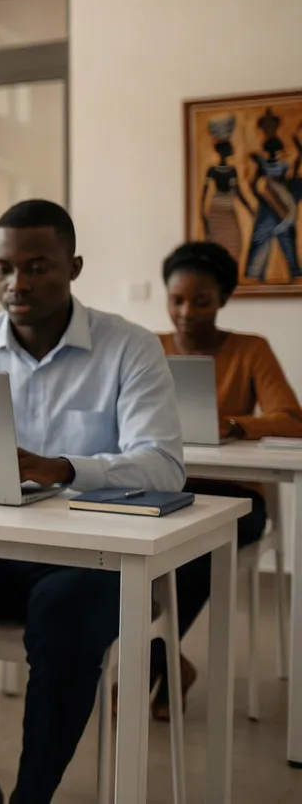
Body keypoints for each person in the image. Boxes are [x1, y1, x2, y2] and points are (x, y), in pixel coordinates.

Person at [0, 199, 185, 804]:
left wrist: (63, 467)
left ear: (74, 266)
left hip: (98, 559)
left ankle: (32, 798)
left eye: (38, 266)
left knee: (60, 614)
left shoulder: (129, 348)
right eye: (4, 268)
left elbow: (163, 465)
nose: (18, 283)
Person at [151, 240, 302, 718]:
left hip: (236, 496)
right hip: (165, 486)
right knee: (122, 552)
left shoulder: (249, 350)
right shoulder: (148, 348)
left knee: (195, 552)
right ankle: (166, 662)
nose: (186, 312)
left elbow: (293, 419)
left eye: (201, 300)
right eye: (176, 300)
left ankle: (150, 664)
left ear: (223, 300)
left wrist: (236, 425)